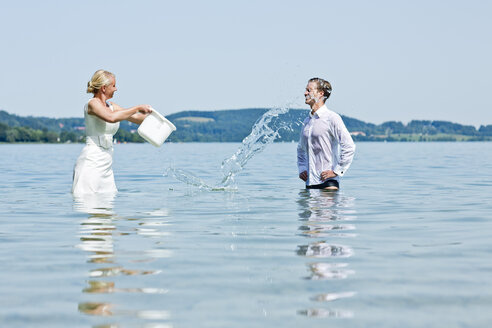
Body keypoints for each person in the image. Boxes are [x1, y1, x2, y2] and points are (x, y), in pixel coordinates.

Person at [72, 69, 152, 195]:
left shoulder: (112, 106)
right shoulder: (93, 104)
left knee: (108, 206)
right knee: (88, 202)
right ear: (104, 88)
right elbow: (111, 117)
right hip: (91, 161)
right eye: (114, 85)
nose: (116, 89)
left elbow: (136, 118)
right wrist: (137, 107)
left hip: (107, 161)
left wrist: (154, 116)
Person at [297, 77, 355, 191]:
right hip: (310, 183)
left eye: (309, 90)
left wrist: (337, 171)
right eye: (305, 90)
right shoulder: (306, 121)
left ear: (320, 93)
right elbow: (300, 149)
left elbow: (349, 146)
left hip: (328, 183)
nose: (305, 93)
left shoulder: (332, 118)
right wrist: (302, 168)